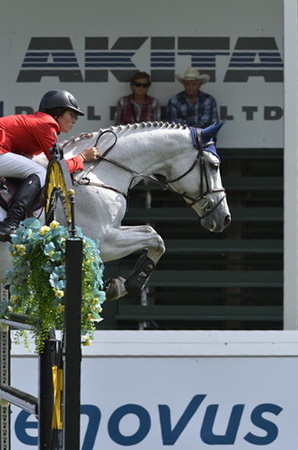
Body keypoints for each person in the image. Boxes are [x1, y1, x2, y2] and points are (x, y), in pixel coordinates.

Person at [0, 89, 99, 241]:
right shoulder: (47, 123)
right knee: (40, 172)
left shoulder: (39, 122)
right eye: (72, 115)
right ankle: (10, 223)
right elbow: (58, 169)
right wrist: (82, 157)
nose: (74, 120)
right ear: (57, 113)